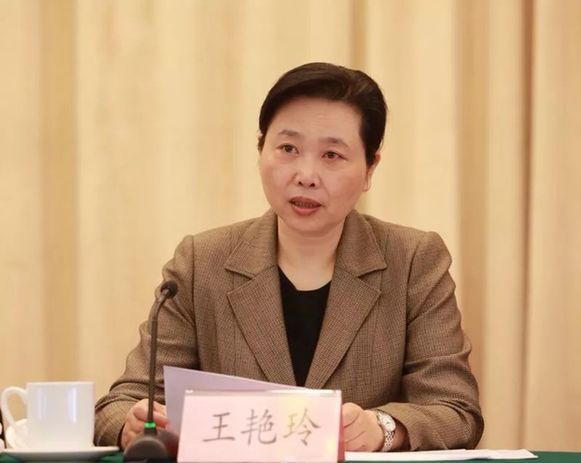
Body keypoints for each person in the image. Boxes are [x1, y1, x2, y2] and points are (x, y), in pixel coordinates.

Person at [95, 62, 484, 452]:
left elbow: (456, 411)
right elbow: (118, 406)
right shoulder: (201, 263)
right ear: (261, 149)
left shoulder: (413, 261)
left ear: (370, 168)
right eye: (288, 149)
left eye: (332, 155)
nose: (306, 175)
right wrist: (133, 424)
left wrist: (382, 427)